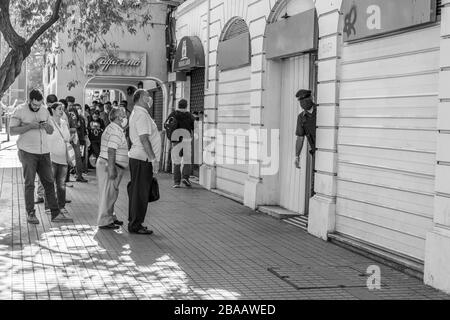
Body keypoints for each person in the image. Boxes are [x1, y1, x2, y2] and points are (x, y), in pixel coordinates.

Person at [9, 89, 72, 224]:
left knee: (49, 183)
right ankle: (31, 213)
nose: (37, 107)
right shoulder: (20, 110)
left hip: (44, 153)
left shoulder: (44, 110)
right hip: (27, 152)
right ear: (29, 100)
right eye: (34, 105)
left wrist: (46, 127)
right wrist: (30, 126)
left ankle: (55, 214)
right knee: (30, 183)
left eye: (39, 105)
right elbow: (12, 131)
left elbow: (50, 130)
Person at [127, 89, 161, 235]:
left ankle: (134, 221)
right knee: (140, 193)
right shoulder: (141, 115)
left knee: (138, 192)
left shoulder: (139, 113)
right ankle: (136, 224)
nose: (150, 98)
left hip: (139, 158)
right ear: (141, 98)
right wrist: (153, 159)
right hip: (142, 158)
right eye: (148, 96)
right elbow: (144, 139)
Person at [96, 108, 129, 230]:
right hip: (109, 164)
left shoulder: (114, 128)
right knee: (108, 194)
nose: (125, 117)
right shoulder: (115, 130)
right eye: (123, 115)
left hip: (111, 164)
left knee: (111, 193)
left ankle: (110, 217)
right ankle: (104, 221)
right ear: (118, 117)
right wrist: (111, 168)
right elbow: (111, 150)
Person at [45, 102, 72, 218]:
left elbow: (67, 138)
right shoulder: (48, 122)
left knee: (61, 184)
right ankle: (49, 207)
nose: (62, 111)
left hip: (63, 158)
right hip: (51, 157)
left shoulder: (64, 123)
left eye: (63, 109)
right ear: (53, 110)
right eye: (59, 109)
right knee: (50, 183)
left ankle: (61, 206)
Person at [165, 99, 196, 188]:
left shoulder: (173, 114)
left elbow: (166, 124)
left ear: (178, 105)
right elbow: (195, 127)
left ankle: (176, 182)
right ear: (186, 105)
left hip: (175, 140)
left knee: (176, 161)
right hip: (186, 140)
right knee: (187, 160)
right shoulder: (189, 115)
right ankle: (185, 177)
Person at [295, 89, 317, 197]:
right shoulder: (301, 117)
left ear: (311, 98)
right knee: (315, 182)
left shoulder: (321, 110)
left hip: (328, 152)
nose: (304, 102)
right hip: (315, 153)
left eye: (306, 99)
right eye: (301, 101)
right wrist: (296, 156)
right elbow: (300, 138)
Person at [66, 96, 88, 183]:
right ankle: (66, 178)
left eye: (72, 105)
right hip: (67, 136)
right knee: (67, 157)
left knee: (78, 156)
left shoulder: (74, 110)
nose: (71, 106)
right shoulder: (64, 111)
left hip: (75, 136)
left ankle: (79, 176)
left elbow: (78, 122)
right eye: (69, 105)